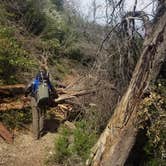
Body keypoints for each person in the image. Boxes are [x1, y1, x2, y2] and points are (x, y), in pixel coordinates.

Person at [25, 66, 58, 139]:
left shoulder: (34, 81)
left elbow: (27, 89)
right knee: (42, 116)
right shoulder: (47, 82)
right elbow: (54, 92)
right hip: (44, 101)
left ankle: (35, 136)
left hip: (35, 100)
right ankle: (40, 133)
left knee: (35, 117)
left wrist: (26, 95)